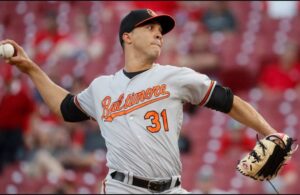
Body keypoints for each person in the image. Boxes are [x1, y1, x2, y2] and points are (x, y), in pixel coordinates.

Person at [1, 8, 281, 194]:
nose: (159, 33)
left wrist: (270, 133)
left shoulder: (176, 77)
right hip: (123, 188)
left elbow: (229, 101)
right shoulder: (102, 87)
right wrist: (30, 68)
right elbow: (65, 108)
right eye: (150, 28)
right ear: (127, 37)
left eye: (161, 29)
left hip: (171, 189)